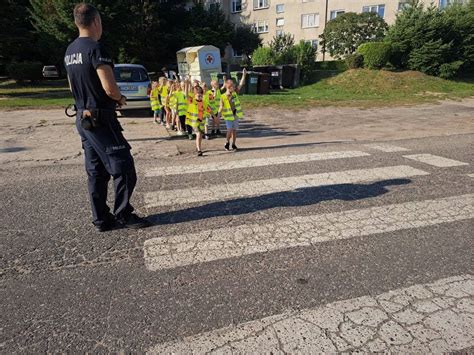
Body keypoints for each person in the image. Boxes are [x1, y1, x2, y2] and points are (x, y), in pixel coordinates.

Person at [64, 3, 150, 231]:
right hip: (101, 119)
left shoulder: (70, 51)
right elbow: (109, 88)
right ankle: (123, 213)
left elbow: (72, 85)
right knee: (123, 167)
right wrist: (119, 99)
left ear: (76, 22)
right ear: (96, 22)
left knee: (96, 171)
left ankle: (101, 218)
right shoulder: (95, 49)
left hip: (82, 118)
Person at [219, 69, 247, 151]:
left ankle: (234, 144)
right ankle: (227, 142)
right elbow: (221, 107)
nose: (235, 88)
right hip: (228, 116)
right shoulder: (223, 96)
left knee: (234, 131)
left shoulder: (234, 93)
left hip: (235, 115)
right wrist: (218, 115)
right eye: (233, 87)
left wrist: (244, 75)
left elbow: (241, 84)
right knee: (230, 130)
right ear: (229, 87)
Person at [187, 86, 214, 156]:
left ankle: (198, 146)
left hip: (202, 122)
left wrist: (215, 117)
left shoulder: (204, 102)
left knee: (200, 135)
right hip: (194, 123)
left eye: (201, 96)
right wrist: (187, 85)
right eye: (198, 96)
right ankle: (199, 150)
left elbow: (209, 110)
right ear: (194, 95)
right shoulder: (192, 101)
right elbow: (186, 95)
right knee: (198, 134)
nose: (200, 97)